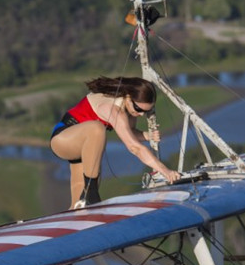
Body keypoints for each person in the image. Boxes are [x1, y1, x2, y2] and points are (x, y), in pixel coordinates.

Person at [50, 76, 181, 209]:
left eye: (145, 111)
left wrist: (147, 136)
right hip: (63, 138)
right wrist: (166, 171)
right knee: (97, 129)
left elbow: (130, 132)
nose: (141, 114)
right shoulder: (113, 109)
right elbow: (134, 147)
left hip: (85, 147)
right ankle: (91, 194)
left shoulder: (128, 108)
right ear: (129, 97)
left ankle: (84, 207)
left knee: (78, 208)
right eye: (139, 109)